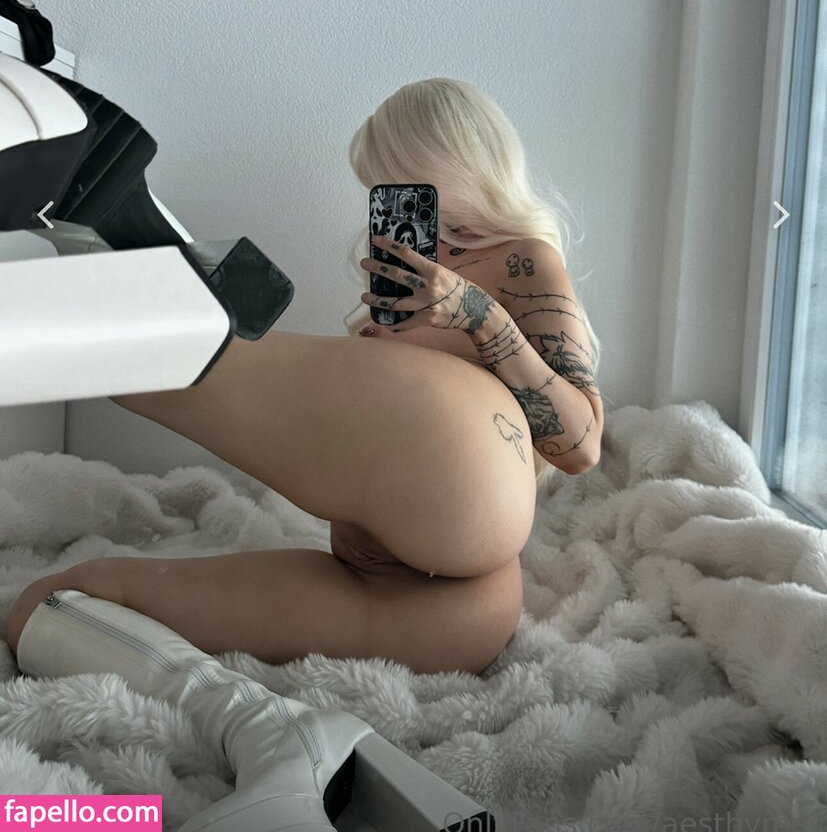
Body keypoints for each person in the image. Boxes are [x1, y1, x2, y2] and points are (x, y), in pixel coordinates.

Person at [6, 77, 604, 679]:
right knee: (56, 602)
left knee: (157, 371)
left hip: (470, 530)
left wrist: (478, 315)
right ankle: (116, 258)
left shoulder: (522, 259)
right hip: (421, 610)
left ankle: (106, 244)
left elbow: (582, 446)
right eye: (380, 186)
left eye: (404, 180)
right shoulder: (411, 274)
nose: (390, 200)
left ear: (457, 165)